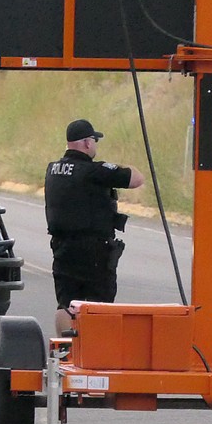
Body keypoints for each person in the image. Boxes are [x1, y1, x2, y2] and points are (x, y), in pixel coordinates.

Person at [44, 119, 145, 335]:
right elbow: (136, 179)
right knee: (101, 304)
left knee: (66, 305)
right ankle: (97, 354)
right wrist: (120, 165)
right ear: (87, 143)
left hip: (62, 248)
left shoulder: (53, 169)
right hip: (94, 252)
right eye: (95, 140)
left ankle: (65, 353)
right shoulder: (93, 171)